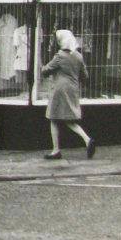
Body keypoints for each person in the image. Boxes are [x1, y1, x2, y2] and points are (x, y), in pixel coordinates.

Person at [42, 29, 96, 160]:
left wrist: (41, 66)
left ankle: (56, 150)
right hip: (73, 89)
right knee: (69, 120)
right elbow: (85, 76)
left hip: (59, 90)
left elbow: (45, 71)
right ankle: (87, 140)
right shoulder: (78, 56)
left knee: (53, 119)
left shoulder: (60, 56)